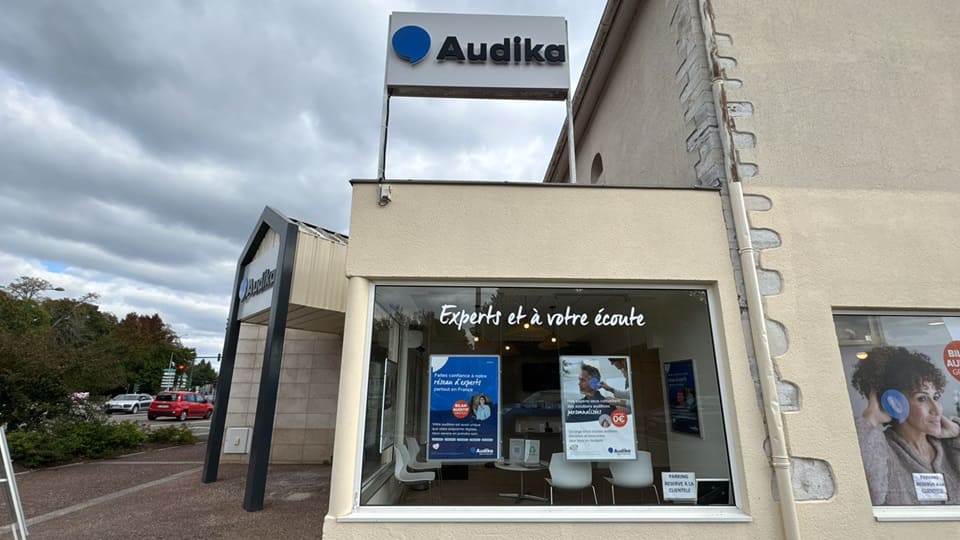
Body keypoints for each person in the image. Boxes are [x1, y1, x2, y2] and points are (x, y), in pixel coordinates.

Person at [852, 346, 960, 505]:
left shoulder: (949, 448)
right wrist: (870, 420)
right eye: (922, 399)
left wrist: (957, 433)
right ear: (895, 403)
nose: (936, 409)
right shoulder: (883, 451)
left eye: (935, 397)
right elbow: (871, 496)